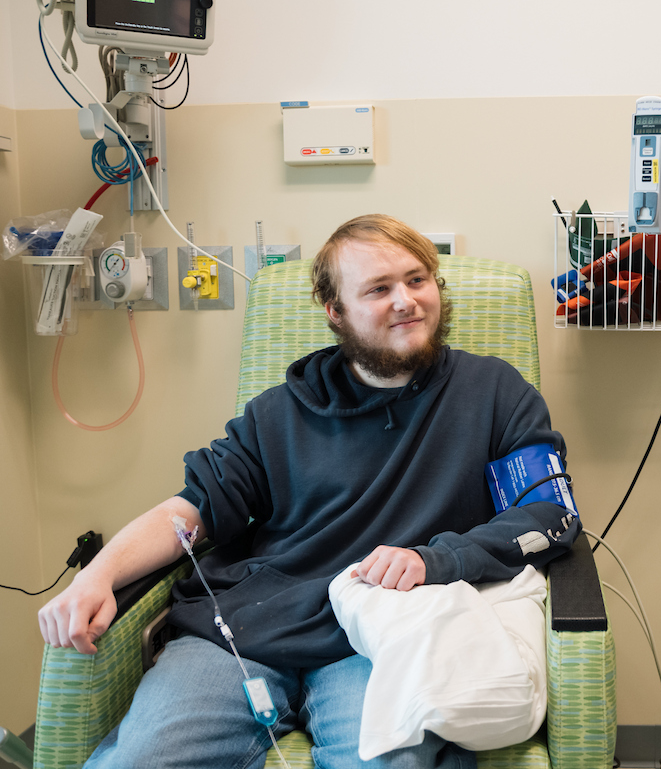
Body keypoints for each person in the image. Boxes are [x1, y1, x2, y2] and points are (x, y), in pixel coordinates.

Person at [38, 214, 580, 769]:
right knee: (145, 759)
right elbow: (192, 510)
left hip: (378, 636)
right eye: (379, 289)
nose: (407, 301)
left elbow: (548, 511)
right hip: (243, 634)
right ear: (336, 312)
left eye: (418, 280)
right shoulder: (280, 412)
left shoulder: (495, 393)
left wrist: (434, 560)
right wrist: (97, 576)